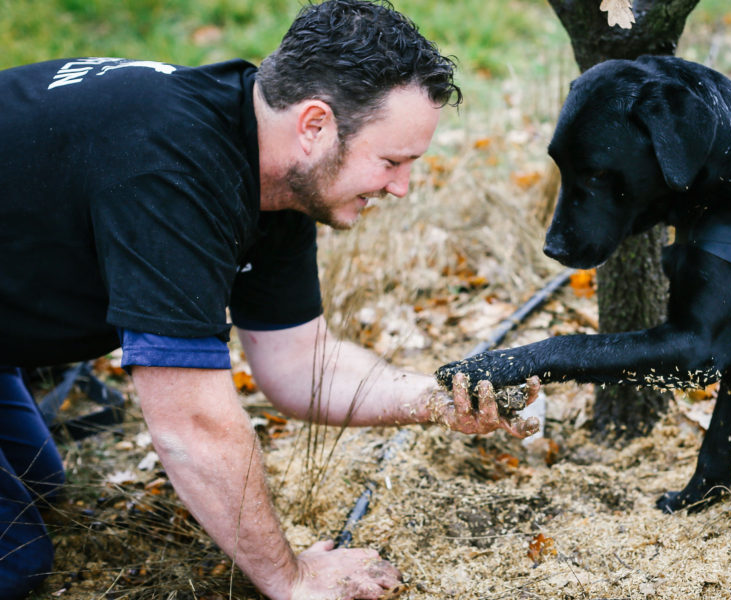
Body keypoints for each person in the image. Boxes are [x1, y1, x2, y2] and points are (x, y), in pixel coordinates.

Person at [0, 1, 538, 598]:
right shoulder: (171, 167)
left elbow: (299, 365)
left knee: (42, 488)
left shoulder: (273, 173)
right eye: (391, 161)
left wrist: (439, 399)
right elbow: (191, 425)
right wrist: (291, 579)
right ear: (315, 125)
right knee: (14, 566)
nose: (401, 188)